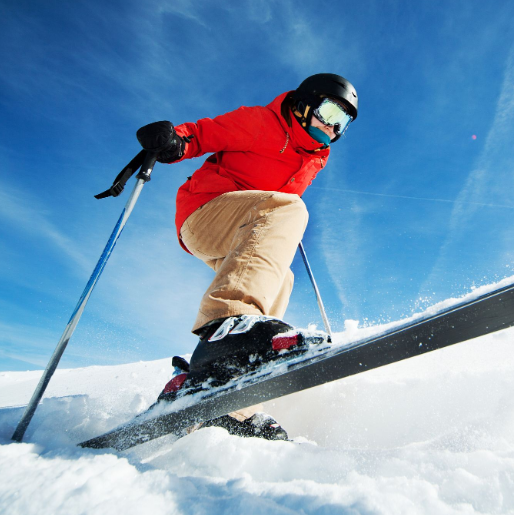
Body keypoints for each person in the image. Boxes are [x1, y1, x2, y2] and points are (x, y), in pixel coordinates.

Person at [135, 73, 358, 439]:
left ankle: (222, 395)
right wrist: (176, 140)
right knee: (291, 210)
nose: (333, 126)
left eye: (343, 122)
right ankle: (228, 326)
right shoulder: (262, 121)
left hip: (245, 226)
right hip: (204, 212)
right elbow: (205, 133)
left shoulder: (317, 158)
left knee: (282, 277)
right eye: (330, 111)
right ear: (304, 102)